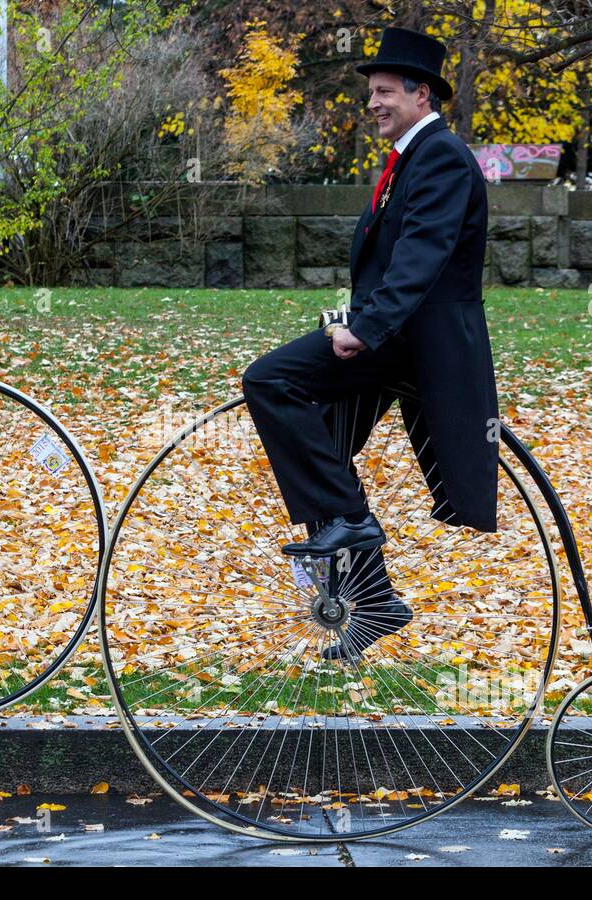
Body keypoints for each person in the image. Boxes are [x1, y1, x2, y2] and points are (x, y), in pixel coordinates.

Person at [241, 27, 499, 660]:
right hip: (390, 334)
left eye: (385, 92)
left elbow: (421, 257)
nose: (374, 103)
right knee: (322, 448)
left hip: (411, 344)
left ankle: (351, 521)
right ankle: (375, 598)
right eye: (372, 93)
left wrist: (364, 328)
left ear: (422, 93)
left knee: (269, 379)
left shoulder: (439, 156)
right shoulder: (410, 158)